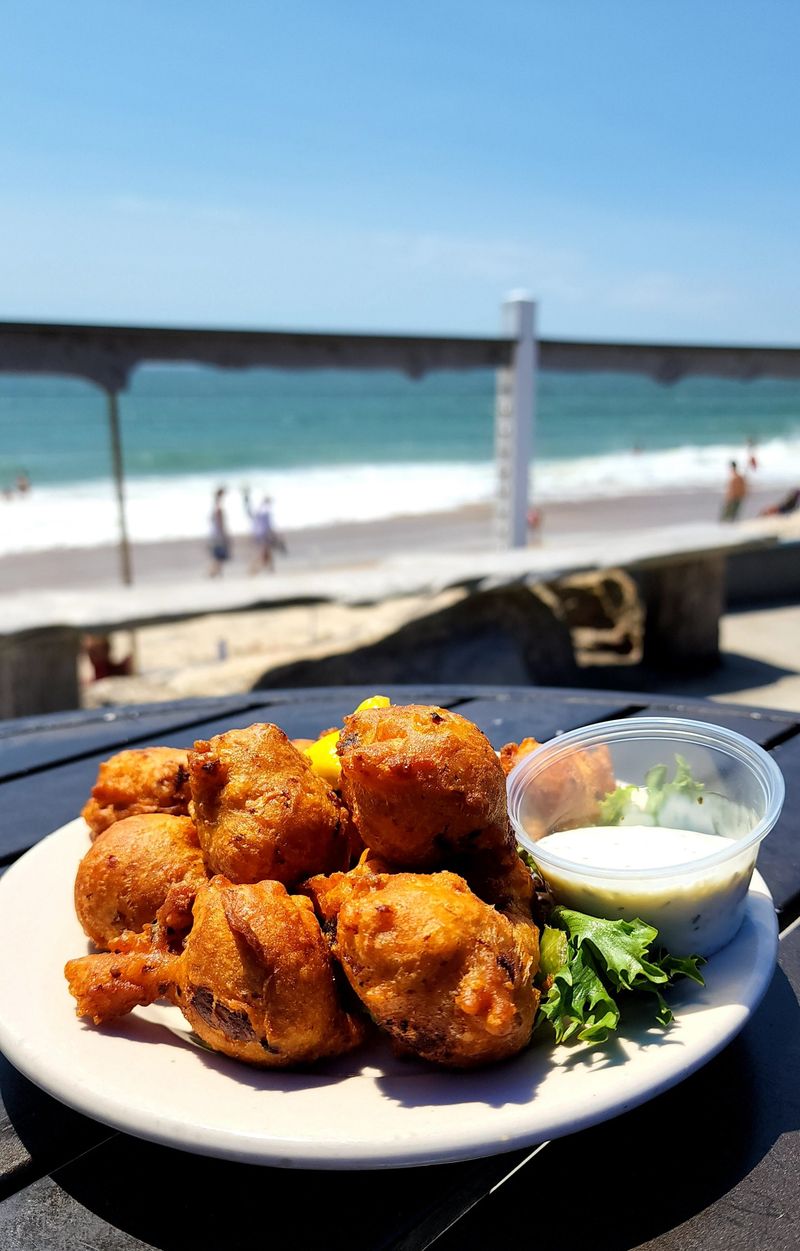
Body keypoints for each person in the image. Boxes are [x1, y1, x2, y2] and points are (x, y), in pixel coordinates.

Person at [243, 488, 284, 573]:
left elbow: (251, 515)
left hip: (259, 534)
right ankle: (256, 569)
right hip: (263, 534)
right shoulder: (265, 510)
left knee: (266, 552)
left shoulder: (261, 509)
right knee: (264, 553)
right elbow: (267, 525)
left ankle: (270, 569)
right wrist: (273, 534)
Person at [208, 487, 231, 576]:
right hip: (218, 534)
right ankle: (213, 573)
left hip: (214, 533)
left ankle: (217, 573)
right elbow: (220, 522)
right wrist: (224, 534)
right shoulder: (218, 507)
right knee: (219, 556)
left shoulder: (215, 506)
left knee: (218, 556)